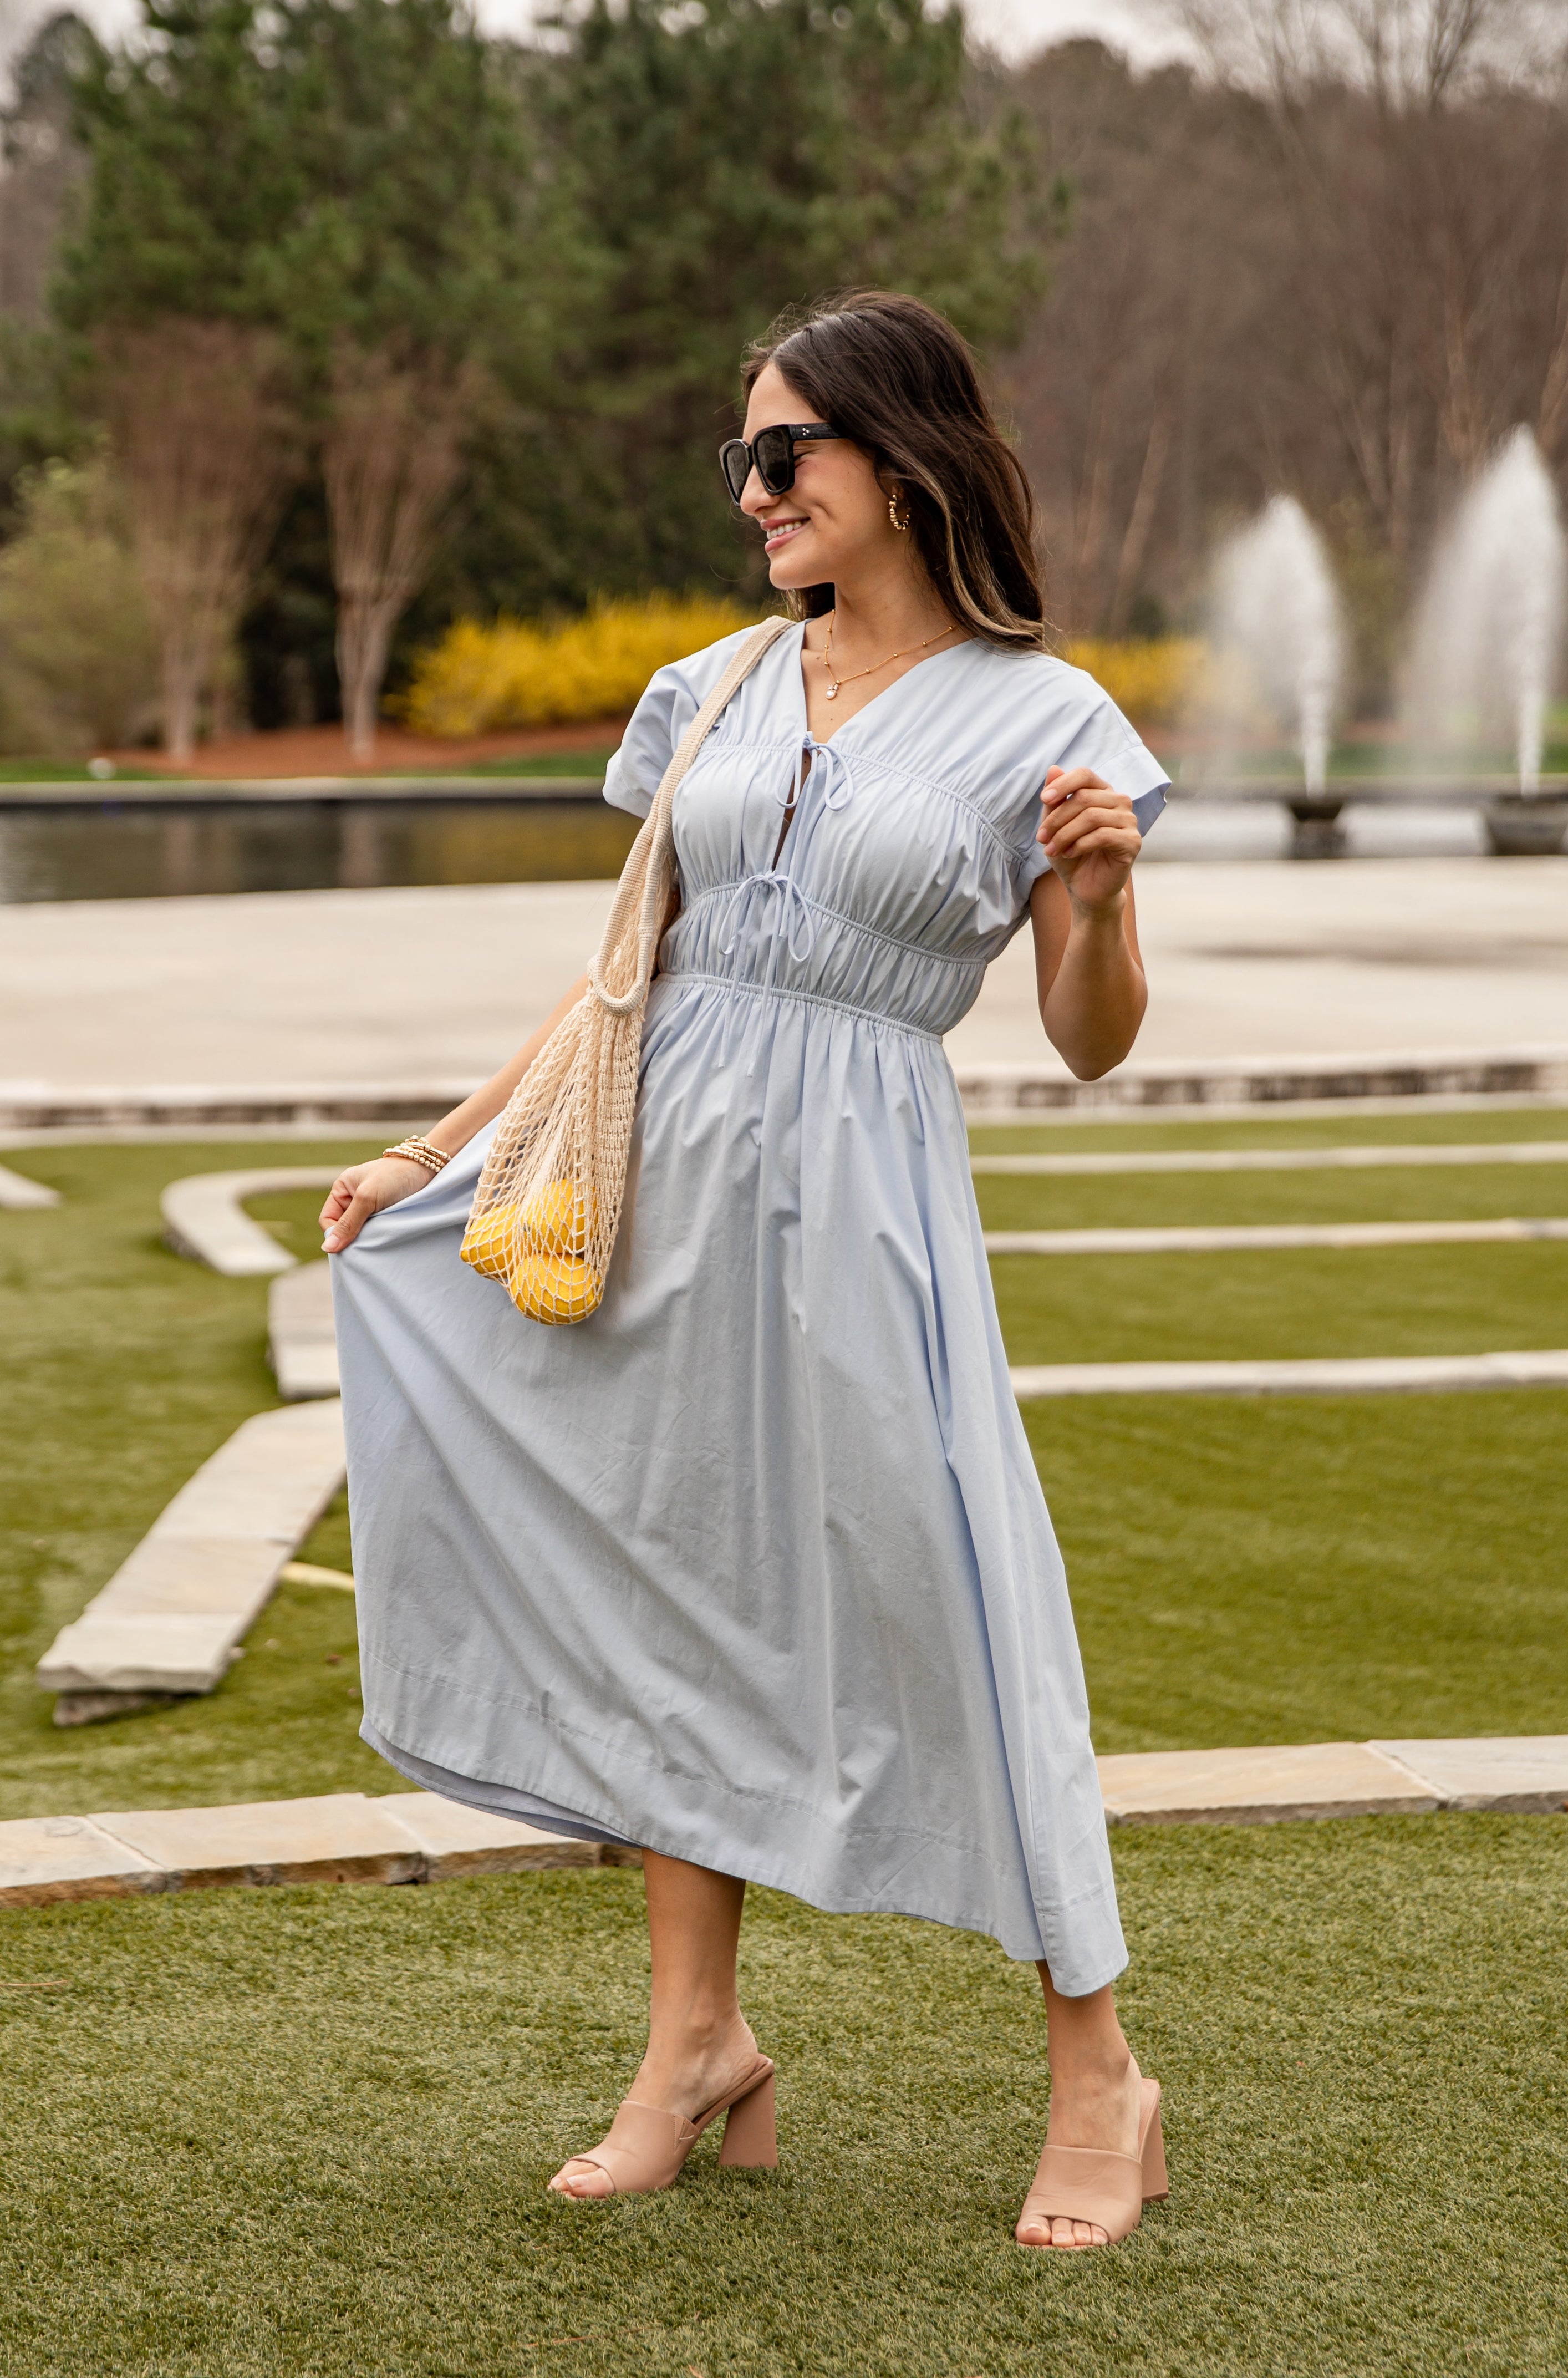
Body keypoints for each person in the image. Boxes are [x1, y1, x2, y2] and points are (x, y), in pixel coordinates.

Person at [322, 291, 1170, 2249]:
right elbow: (628, 969)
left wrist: (1104, 907)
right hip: (659, 1199)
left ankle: (1096, 2072)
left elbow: (1088, 1034)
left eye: (787, 455)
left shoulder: (1048, 719)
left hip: (864, 1191)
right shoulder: (710, 685)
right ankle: (692, 2043)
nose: (757, 491)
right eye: (744, 461)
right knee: (669, 1583)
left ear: (901, 459)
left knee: (953, 1594)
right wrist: (432, 1153)